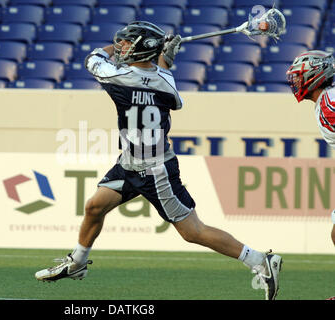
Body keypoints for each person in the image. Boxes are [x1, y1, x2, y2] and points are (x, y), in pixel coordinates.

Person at [35, 21, 283, 300]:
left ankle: (260, 260)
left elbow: (94, 58)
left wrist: (147, 53)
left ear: (141, 49)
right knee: (95, 206)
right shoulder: (165, 82)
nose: (121, 47)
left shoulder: (118, 77)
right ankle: (78, 264)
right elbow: (166, 92)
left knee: (193, 231)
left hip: (156, 170)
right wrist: (163, 59)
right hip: (129, 161)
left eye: (127, 43)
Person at [286, 50, 335, 246]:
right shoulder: (326, 100)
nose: (295, 82)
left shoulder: (328, 105)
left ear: (313, 75)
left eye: (299, 77)